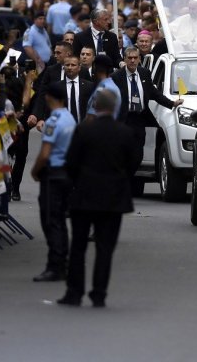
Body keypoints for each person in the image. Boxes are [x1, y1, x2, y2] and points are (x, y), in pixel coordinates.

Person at [57, 90, 140, 308]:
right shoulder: (125, 133)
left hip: (84, 195)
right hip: (113, 199)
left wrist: (78, 182)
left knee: (78, 246)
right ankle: (99, 293)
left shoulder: (84, 130)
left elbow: (71, 163)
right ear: (114, 108)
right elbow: (133, 163)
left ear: (95, 106)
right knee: (105, 248)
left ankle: (74, 292)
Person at [111, 47, 182, 183]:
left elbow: (154, 93)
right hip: (123, 120)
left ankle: (127, 178)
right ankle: (123, 182)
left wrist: (172, 104)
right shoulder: (116, 77)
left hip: (139, 118)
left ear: (139, 59)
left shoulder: (145, 74)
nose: (132, 61)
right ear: (125, 59)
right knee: (124, 152)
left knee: (138, 154)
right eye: (129, 58)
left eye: (135, 58)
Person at [29, 82, 76, 282]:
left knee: (50, 220)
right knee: (60, 221)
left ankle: (55, 265)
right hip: (66, 173)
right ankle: (62, 263)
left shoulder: (53, 121)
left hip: (53, 174)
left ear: (49, 98)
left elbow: (45, 152)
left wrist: (35, 170)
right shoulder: (70, 118)